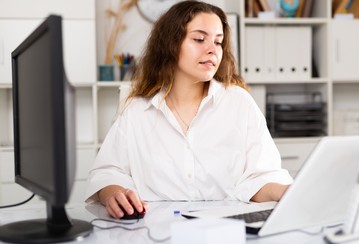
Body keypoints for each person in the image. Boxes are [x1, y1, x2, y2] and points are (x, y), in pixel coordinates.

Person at [86, 0, 293, 219]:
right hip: (154, 234)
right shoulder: (137, 110)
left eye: (218, 42)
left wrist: (285, 191)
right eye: (199, 39)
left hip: (223, 233)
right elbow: (107, 172)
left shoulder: (239, 103)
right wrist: (114, 193)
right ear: (171, 44)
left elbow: (260, 177)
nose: (212, 49)